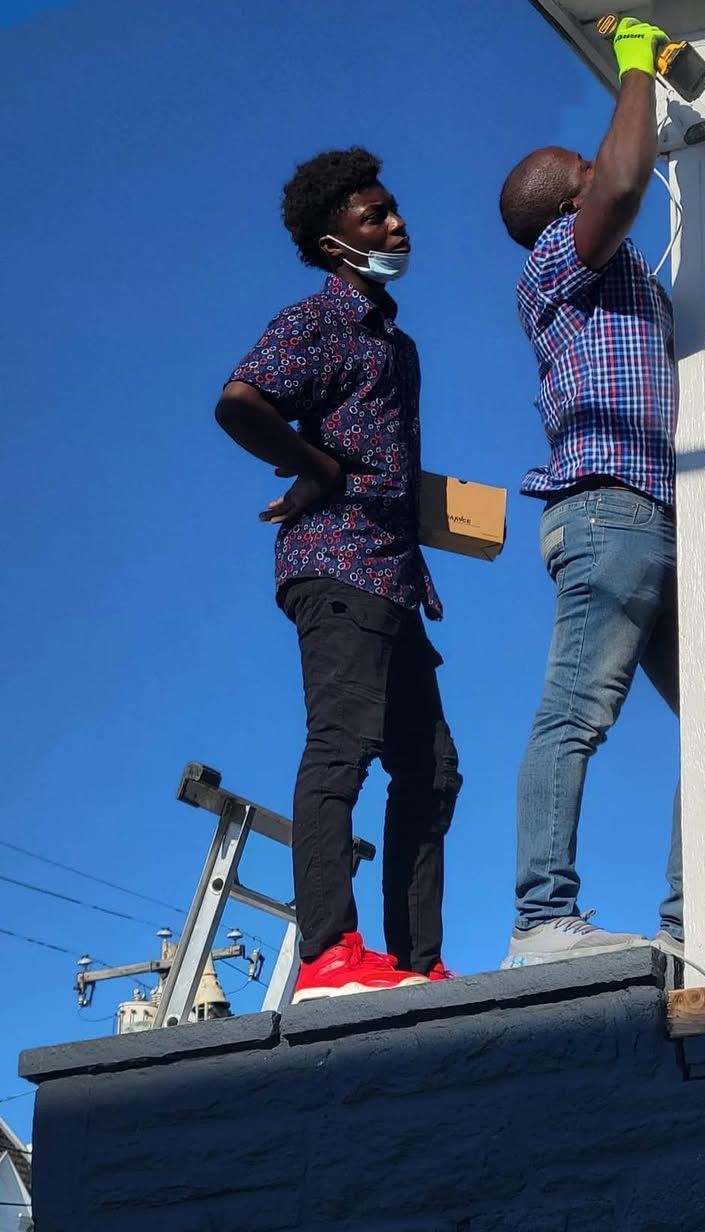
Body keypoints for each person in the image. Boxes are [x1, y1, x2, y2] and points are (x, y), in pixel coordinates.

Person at [215, 147, 461, 1001]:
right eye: (374, 217)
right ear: (332, 243)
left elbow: (384, 460)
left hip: (394, 576)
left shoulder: (399, 345)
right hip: (335, 564)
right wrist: (313, 467)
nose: (397, 225)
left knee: (431, 770)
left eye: (395, 211)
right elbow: (240, 400)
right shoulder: (315, 323)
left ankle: (415, 962)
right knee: (342, 747)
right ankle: (327, 953)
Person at [497, 18, 682, 968]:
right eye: (584, 158)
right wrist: (637, 62)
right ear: (565, 196)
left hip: (650, 517)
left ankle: (693, 915)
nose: (601, 157)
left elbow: (627, 177)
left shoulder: (615, 276)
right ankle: (542, 921)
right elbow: (621, 178)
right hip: (609, 513)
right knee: (576, 711)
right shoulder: (554, 266)